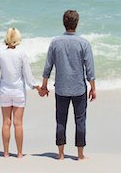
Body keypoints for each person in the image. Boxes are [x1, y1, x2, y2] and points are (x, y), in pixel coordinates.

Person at [40, 10, 96, 160]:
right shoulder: (84, 43)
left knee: (60, 120)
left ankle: (60, 154)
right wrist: (93, 88)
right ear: (77, 23)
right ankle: (80, 155)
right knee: (80, 120)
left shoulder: (55, 42)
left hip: (61, 88)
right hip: (79, 89)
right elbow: (89, 68)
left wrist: (44, 85)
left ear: (64, 23)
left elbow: (48, 66)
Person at [0, 28, 41, 158]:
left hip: (5, 91)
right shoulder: (21, 54)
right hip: (18, 93)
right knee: (18, 124)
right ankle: (19, 153)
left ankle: (5, 153)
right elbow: (28, 76)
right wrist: (37, 87)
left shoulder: (0, 54)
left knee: (6, 123)